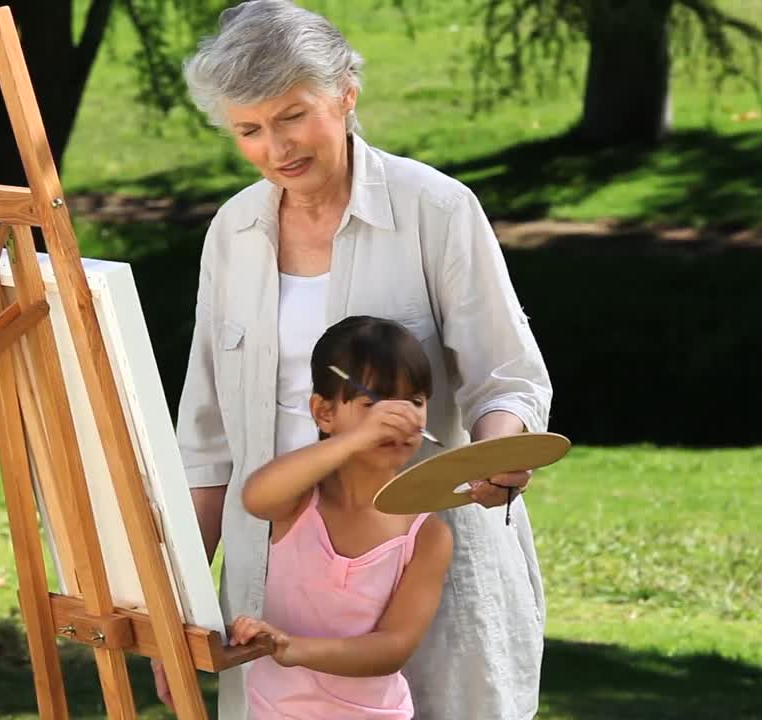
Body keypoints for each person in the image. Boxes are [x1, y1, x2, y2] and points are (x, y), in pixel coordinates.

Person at [163, 1, 554, 717]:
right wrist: (177, 614)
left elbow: (506, 377)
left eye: (293, 116)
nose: (276, 148)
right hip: (275, 593)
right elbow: (208, 439)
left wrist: (499, 455)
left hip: (421, 573)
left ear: (345, 93)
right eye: (249, 130)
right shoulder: (232, 233)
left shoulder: (436, 209)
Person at [230, 316, 453, 718]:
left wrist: (293, 648)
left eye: (415, 401)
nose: (399, 417)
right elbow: (256, 497)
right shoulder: (299, 501)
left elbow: (393, 647)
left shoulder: (427, 535)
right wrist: (359, 437)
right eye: (374, 404)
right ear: (323, 412)